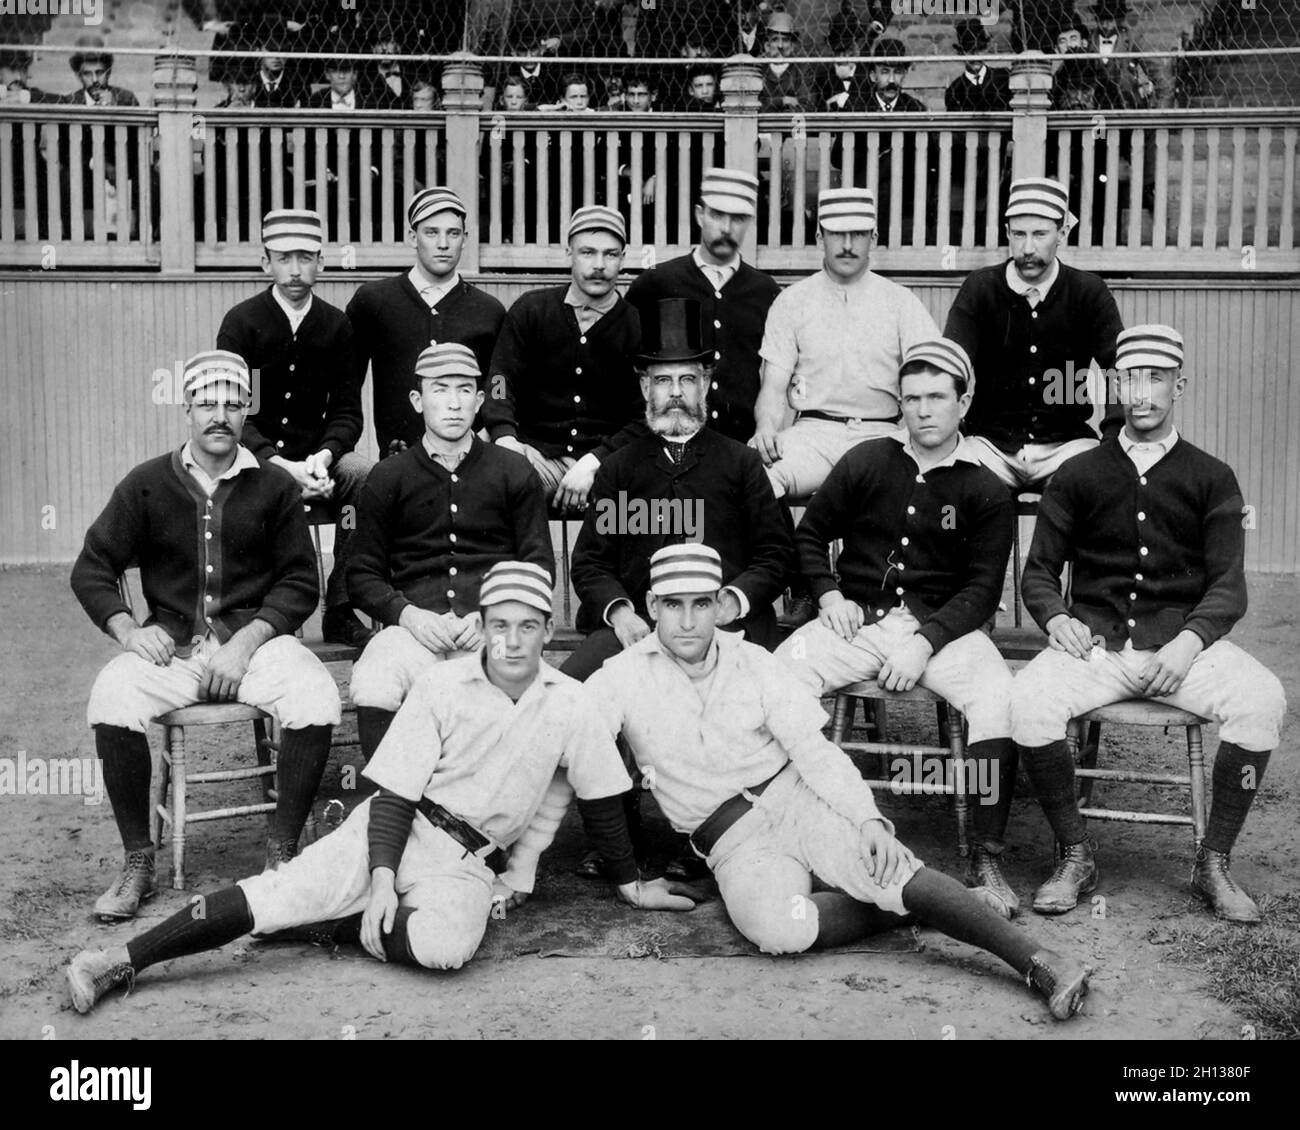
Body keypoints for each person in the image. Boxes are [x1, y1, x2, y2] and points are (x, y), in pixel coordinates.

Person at [65, 563, 699, 1015]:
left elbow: (598, 800)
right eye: (499, 625)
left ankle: (331, 928)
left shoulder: (571, 704)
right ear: (480, 625)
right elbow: (395, 795)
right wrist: (380, 880)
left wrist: (628, 884)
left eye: (528, 627)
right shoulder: (442, 685)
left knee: (447, 950)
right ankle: (121, 959)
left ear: (546, 630)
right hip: (398, 828)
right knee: (274, 894)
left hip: (470, 866)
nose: (511, 641)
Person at [586, 545, 1092, 1020]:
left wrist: (867, 818)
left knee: (884, 864)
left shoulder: (754, 661)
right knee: (777, 929)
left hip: (795, 798)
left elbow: (814, 752)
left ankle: (1040, 960)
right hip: (732, 842)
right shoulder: (619, 677)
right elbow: (584, 760)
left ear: (720, 604)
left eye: (701, 603)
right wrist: (626, 878)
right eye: (673, 604)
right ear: (651, 605)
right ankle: (924, 909)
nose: (689, 620)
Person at [1012, 325, 1287, 925]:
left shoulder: (1211, 475)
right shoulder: (1081, 472)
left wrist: (1189, 644)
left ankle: (1211, 860)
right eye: (1129, 378)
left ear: (1178, 385)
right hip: (1098, 648)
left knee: (1263, 699)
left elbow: (1228, 585)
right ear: (1116, 384)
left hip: (1181, 649)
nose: (1140, 394)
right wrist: (1057, 618)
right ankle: (1075, 854)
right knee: (1027, 700)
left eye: (1155, 379)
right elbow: (1037, 573)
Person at [70, 351, 341, 916]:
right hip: (175, 651)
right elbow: (93, 566)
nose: (219, 414)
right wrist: (126, 630)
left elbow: (299, 582)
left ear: (247, 411)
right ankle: (138, 861)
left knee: (315, 694)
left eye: (232, 403)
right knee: (112, 695)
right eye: (206, 402)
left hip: (254, 646)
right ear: (186, 408)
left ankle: (282, 853)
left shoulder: (274, 486)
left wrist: (246, 644)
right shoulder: (146, 484)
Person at [775, 339, 1022, 917]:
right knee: (776, 677)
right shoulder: (868, 460)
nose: (923, 410)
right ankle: (804, 833)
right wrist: (829, 592)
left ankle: (985, 855)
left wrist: (925, 641)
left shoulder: (986, 487)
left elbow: (983, 590)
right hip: (855, 618)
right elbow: (809, 535)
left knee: (996, 698)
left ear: (965, 402)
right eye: (911, 399)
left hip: (945, 630)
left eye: (937, 397)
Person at [566, 296, 793, 680]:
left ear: (704, 385)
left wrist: (732, 602)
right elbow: (591, 562)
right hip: (638, 626)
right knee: (564, 696)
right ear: (644, 387)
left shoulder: (742, 464)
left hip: (725, 627)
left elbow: (774, 555)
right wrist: (621, 614)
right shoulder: (619, 469)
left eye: (687, 379)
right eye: (663, 381)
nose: (675, 393)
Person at [347, 343, 552, 761]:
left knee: (509, 689)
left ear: (480, 401)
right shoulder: (388, 476)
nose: (453, 404)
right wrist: (408, 615)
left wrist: (492, 614)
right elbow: (362, 574)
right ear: (418, 400)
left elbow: (538, 564)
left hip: (493, 628)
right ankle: (392, 805)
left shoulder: (514, 471)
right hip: (416, 629)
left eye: (464, 391)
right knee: (373, 677)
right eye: (440, 390)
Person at [215, 209, 373, 648]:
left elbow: (347, 412)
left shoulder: (337, 325)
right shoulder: (242, 323)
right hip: (256, 459)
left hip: (319, 461)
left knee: (363, 475)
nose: (295, 270)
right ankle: (263, 614)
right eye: (284, 258)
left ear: (321, 263)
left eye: (306, 258)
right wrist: (279, 465)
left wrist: (322, 459)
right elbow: (236, 411)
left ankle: (340, 606)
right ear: (266, 262)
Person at [752, 187, 938, 501]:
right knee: (756, 477)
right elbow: (772, 387)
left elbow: (932, 375)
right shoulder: (792, 301)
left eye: (859, 234)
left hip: (882, 436)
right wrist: (766, 427)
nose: (848, 246)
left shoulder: (900, 302)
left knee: (913, 488)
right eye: (837, 235)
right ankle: (791, 552)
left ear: (875, 238)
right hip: (813, 436)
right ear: (819, 238)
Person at [944, 177, 1124, 491]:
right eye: (1019, 234)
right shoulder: (980, 288)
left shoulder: (1088, 291)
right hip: (990, 446)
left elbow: (1119, 368)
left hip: (1067, 445)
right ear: (1007, 234)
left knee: (1097, 486)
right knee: (956, 483)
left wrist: (1111, 437)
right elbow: (950, 366)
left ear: (1062, 233)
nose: (1028, 248)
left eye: (1040, 234)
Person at [484, 205, 643, 512]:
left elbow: (644, 417)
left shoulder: (637, 327)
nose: (599, 265)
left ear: (623, 258)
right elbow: (500, 380)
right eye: (587, 252)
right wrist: (505, 437)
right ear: (568, 253)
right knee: (495, 491)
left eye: (610, 254)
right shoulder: (532, 310)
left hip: (606, 465)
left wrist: (596, 461)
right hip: (534, 456)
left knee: (641, 511)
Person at [346, 187, 506, 456]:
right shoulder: (374, 302)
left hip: (471, 459)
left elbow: (501, 383)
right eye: (431, 232)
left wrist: (492, 431)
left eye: (453, 233)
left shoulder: (489, 310)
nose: (443, 244)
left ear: (464, 239)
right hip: (399, 458)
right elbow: (347, 383)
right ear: (412, 236)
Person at [626, 169, 779, 445]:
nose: (726, 228)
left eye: (738, 218)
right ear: (699, 215)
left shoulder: (766, 291)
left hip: (742, 447)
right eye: (717, 215)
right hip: (668, 443)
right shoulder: (657, 282)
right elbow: (628, 367)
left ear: (750, 222)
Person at [944, 18, 1011, 112]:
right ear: (961, 53)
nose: (976, 57)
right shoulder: (954, 90)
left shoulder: (1003, 78)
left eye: (980, 50)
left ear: (986, 50)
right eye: (970, 51)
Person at [61, 35, 139, 106]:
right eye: (87, 74)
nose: (95, 80)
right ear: (79, 77)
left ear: (108, 73)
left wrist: (113, 108)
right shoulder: (69, 102)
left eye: (100, 73)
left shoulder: (127, 99)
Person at [759, 11, 812, 113]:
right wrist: (783, 101)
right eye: (775, 39)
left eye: (785, 40)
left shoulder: (802, 70)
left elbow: (808, 106)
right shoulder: (759, 70)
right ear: (767, 46)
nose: (780, 45)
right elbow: (754, 105)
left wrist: (769, 103)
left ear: (792, 46)